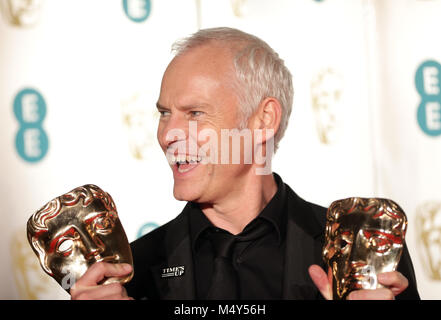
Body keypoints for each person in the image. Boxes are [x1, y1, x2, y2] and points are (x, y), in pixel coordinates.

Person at [70, 27, 419, 300]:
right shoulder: (131, 272)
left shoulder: (360, 255)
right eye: (164, 113)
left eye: (194, 113)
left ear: (264, 120)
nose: (168, 135)